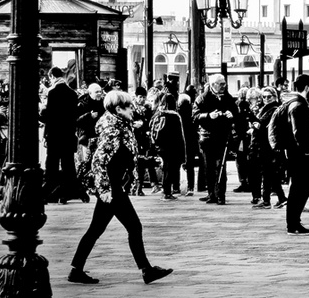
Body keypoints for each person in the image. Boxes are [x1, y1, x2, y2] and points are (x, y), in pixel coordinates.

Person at [67, 91, 173, 285]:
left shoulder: (120, 125)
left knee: (96, 229)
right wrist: (105, 189)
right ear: (118, 109)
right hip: (112, 187)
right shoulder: (112, 129)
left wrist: (144, 160)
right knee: (133, 226)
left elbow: (124, 155)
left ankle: (76, 269)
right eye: (128, 106)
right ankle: (146, 270)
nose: (132, 109)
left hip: (115, 186)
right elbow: (99, 162)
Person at [281, 75, 309, 235]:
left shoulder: (295, 103)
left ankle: (294, 221)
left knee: (303, 185)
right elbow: (298, 131)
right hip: (299, 155)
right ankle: (293, 223)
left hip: (296, 153)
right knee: (300, 187)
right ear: (306, 87)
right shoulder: (298, 105)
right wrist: (307, 149)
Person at [195, 77, 238, 205]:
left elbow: (236, 112)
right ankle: (211, 193)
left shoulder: (228, 98)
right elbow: (195, 116)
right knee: (209, 166)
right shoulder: (202, 98)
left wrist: (232, 114)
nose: (223, 86)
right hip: (207, 137)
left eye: (224, 83)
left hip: (222, 136)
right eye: (220, 84)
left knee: (221, 166)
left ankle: (220, 194)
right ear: (213, 84)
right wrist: (208, 115)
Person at [41, 69, 79, 204]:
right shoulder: (72, 94)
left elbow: (50, 117)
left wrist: (46, 134)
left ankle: (49, 193)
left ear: (51, 76)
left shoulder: (52, 92)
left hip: (55, 136)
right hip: (68, 135)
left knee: (51, 165)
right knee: (68, 165)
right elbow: (74, 116)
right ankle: (66, 193)